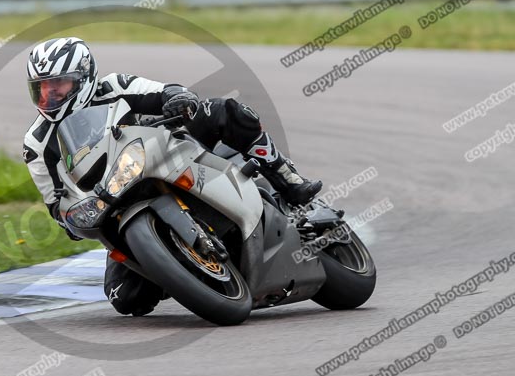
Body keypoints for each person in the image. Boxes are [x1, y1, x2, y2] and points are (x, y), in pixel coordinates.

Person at [23, 37, 322, 316]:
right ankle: (178, 264)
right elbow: (55, 199)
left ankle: (286, 178)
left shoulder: (113, 87)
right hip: (112, 198)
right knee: (125, 299)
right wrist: (68, 219)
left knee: (222, 111)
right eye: (42, 88)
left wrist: (177, 97)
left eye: (58, 85)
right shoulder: (36, 144)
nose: (50, 95)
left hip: (169, 155)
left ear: (83, 78)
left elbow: (162, 90)